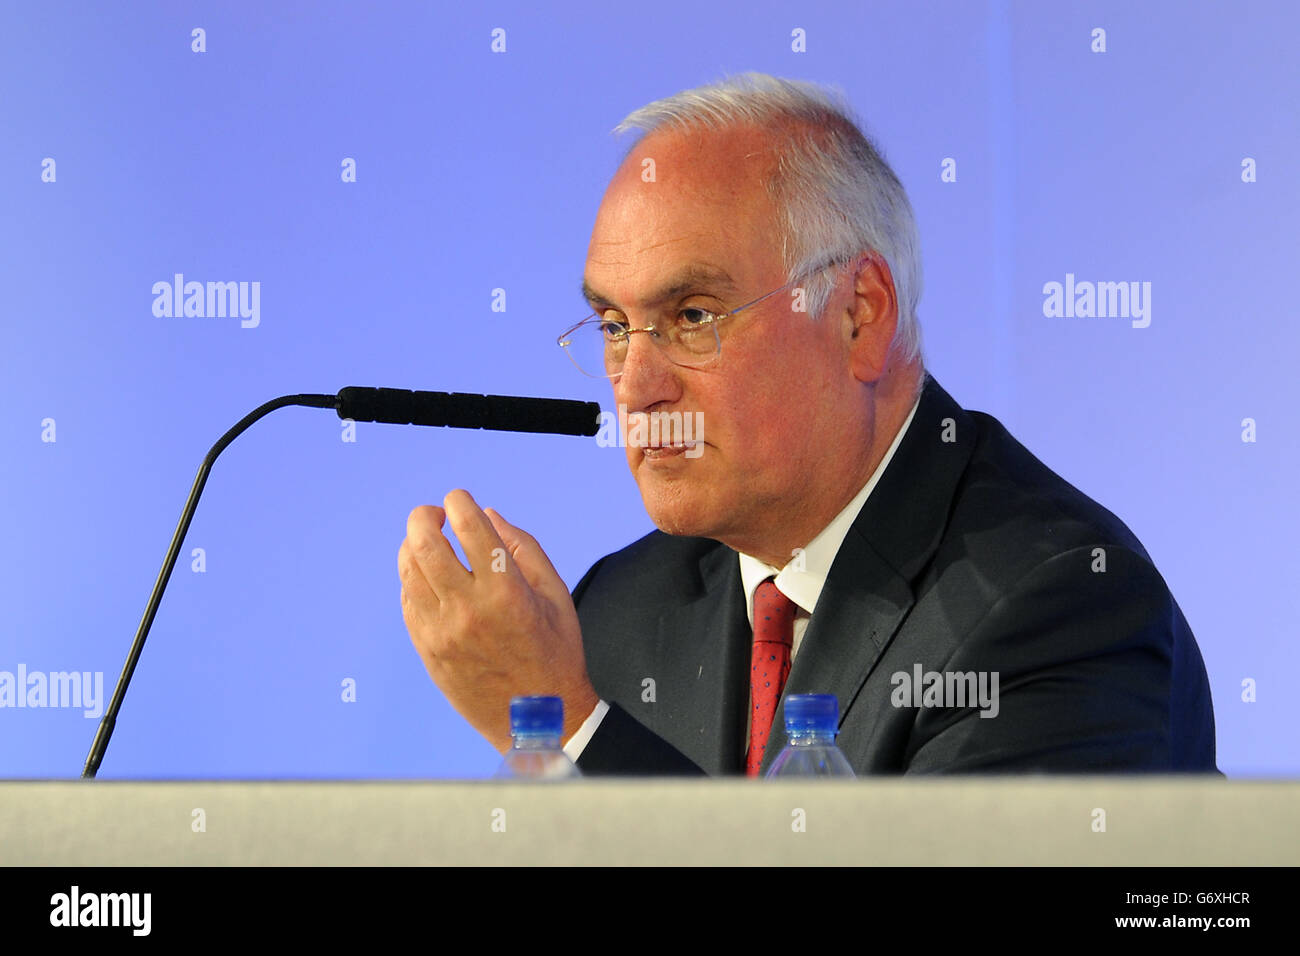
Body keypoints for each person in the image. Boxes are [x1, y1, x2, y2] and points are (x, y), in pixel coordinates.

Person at [397, 73, 1218, 775]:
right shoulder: (620, 609)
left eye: (690, 316)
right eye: (613, 326)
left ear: (859, 315)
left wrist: (571, 731)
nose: (637, 387)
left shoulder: (1057, 604)